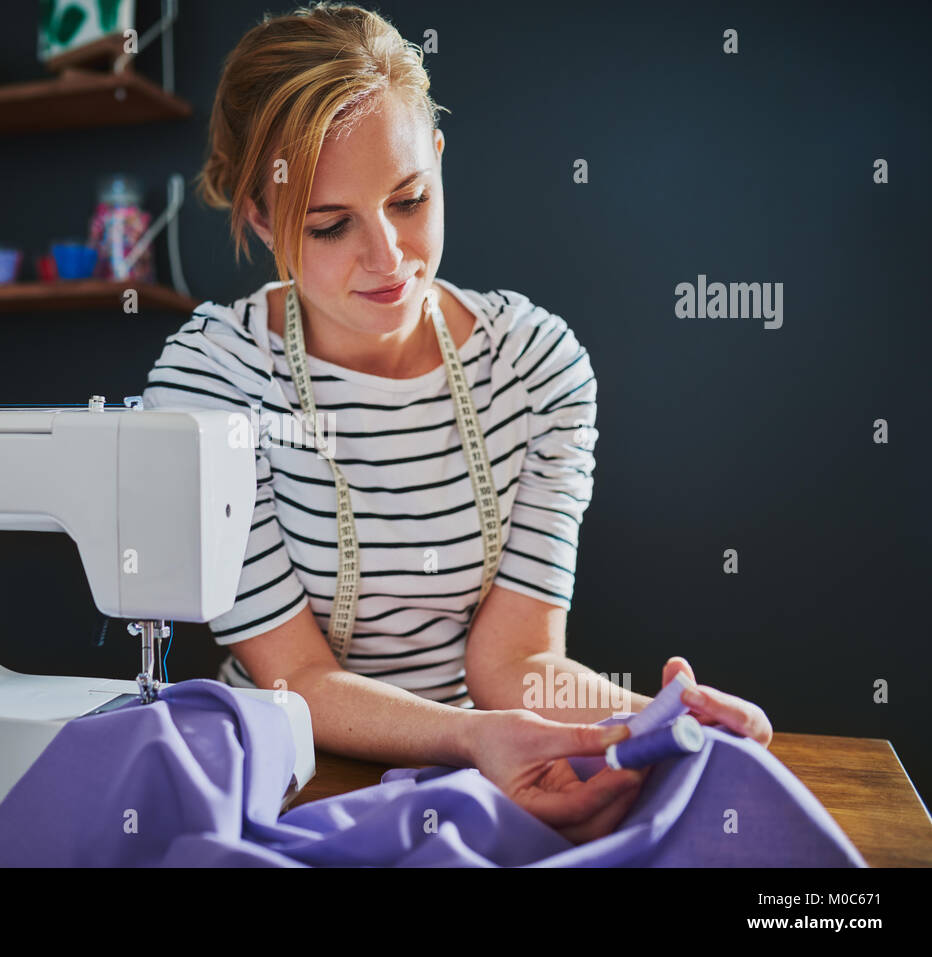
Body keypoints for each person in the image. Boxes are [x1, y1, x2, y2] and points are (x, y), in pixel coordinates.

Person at [142, 2, 770, 844]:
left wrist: (661, 720)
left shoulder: (539, 368)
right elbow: (296, 675)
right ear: (261, 218)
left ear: (438, 159)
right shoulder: (211, 381)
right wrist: (470, 734)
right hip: (282, 779)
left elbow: (514, 666)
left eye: (408, 200)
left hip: (487, 771)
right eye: (331, 225)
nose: (388, 257)